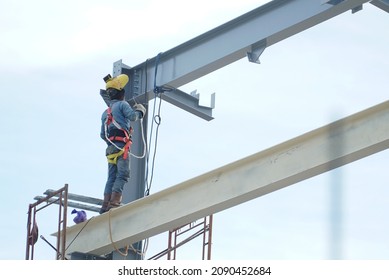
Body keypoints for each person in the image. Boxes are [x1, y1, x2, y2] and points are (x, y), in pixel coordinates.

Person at [99, 74, 146, 214]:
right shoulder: (122, 105)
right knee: (123, 175)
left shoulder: (105, 113)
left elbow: (103, 135)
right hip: (122, 147)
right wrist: (140, 111)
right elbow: (133, 117)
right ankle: (114, 202)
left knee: (111, 177)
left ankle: (105, 204)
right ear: (121, 93)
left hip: (110, 149)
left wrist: (112, 141)